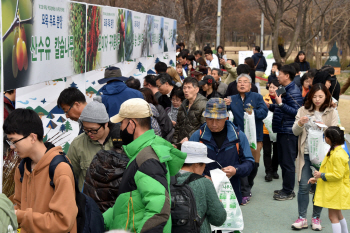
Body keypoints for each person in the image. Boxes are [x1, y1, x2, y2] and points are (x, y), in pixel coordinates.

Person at [104, 98, 186, 232]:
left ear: (131, 124)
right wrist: (98, 221)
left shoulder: (147, 158)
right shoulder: (142, 152)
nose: (120, 128)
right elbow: (129, 202)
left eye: (122, 123)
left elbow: (159, 209)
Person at [4, 109, 78, 233]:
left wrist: (20, 215)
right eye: (9, 142)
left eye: (14, 141)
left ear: (33, 137)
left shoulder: (60, 169)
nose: (12, 147)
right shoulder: (21, 169)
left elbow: (63, 222)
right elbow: (20, 206)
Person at [189, 98, 255, 204]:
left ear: (226, 117)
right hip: (203, 191)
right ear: (205, 117)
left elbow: (249, 162)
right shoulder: (197, 136)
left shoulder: (238, 136)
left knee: (231, 219)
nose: (214, 124)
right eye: (210, 119)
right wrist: (202, 177)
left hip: (231, 191)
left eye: (218, 119)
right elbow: (186, 167)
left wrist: (236, 170)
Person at [291, 84, 338, 231]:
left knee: (319, 187)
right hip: (306, 154)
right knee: (304, 186)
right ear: (310, 96)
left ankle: (316, 218)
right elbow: (294, 131)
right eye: (314, 96)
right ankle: (302, 218)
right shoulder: (303, 110)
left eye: (320, 96)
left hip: (323, 156)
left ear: (326, 97)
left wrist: (325, 128)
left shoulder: (332, 111)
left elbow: (336, 134)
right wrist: (300, 123)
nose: (317, 99)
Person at [225, 74, 268, 204]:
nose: (242, 84)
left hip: (255, 137)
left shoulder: (257, 97)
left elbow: (264, 112)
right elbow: (224, 112)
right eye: (239, 82)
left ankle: (249, 184)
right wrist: (225, 105)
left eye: (245, 82)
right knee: (241, 162)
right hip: (238, 138)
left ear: (250, 85)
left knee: (254, 164)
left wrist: (252, 112)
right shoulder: (232, 99)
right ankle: (244, 190)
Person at [67, 97, 122, 191]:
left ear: (105, 124)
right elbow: (69, 175)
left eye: (93, 130)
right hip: (88, 202)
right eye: (86, 130)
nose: (89, 134)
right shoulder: (78, 144)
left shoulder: (120, 139)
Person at [176, 141, 227, 232]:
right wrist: (219, 204)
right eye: (204, 164)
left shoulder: (168, 178)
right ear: (196, 164)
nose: (204, 168)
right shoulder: (204, 183)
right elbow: (218, 219)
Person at [270, 65, 303, 201]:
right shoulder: (285, 88)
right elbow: (279, 106)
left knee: (288, 162)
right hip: (282, 129)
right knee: (284, 161)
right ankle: (286, 188)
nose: (278, 76)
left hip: (289, 131)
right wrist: (271, 105)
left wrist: (280, 104)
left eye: (280, 74)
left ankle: (289, 191)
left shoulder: (293, 90)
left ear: (287, 76)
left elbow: (297, 112)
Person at [308, 126, 350, 233]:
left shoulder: (337, 155)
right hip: (336, 189)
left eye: (325, 136)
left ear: (329, 138)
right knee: (338, 215)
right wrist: (317, 178)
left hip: (335, 190)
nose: (325, 138)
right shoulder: (337, 152)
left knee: (333, 217)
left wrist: (321, 175)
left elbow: (337, 174)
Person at [172, 78, 207, 145]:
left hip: (196, 143)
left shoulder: (204, 104)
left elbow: (204, 127)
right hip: (181, 143)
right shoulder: (184, 103)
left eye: (189, 88)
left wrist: (189, 137)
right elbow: (178, 126)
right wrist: (174, 142)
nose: (186, 90)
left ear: (197, 89)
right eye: (184, 88)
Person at [263, 79, 280, 181]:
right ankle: (268, 172)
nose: (271, 89)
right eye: (270, 87)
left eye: (274, 87)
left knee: (277, 152)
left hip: (278, 129)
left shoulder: (281, 99)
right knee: (267, 151)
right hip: (266, 130)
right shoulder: (264, 99)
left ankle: (274, 170)